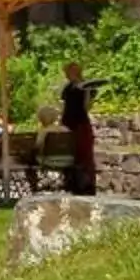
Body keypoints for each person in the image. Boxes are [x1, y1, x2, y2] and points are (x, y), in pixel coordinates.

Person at [61, 64, 98, 196]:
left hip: (80, 123)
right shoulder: (67, 88)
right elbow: (64, 106)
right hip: (68, 124)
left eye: (68, 72)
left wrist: (87, 92)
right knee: (70, 156)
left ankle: (86, 184)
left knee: (84, 154)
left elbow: (86, 107)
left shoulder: (86, 87)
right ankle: (71, 183)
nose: (66, 75)